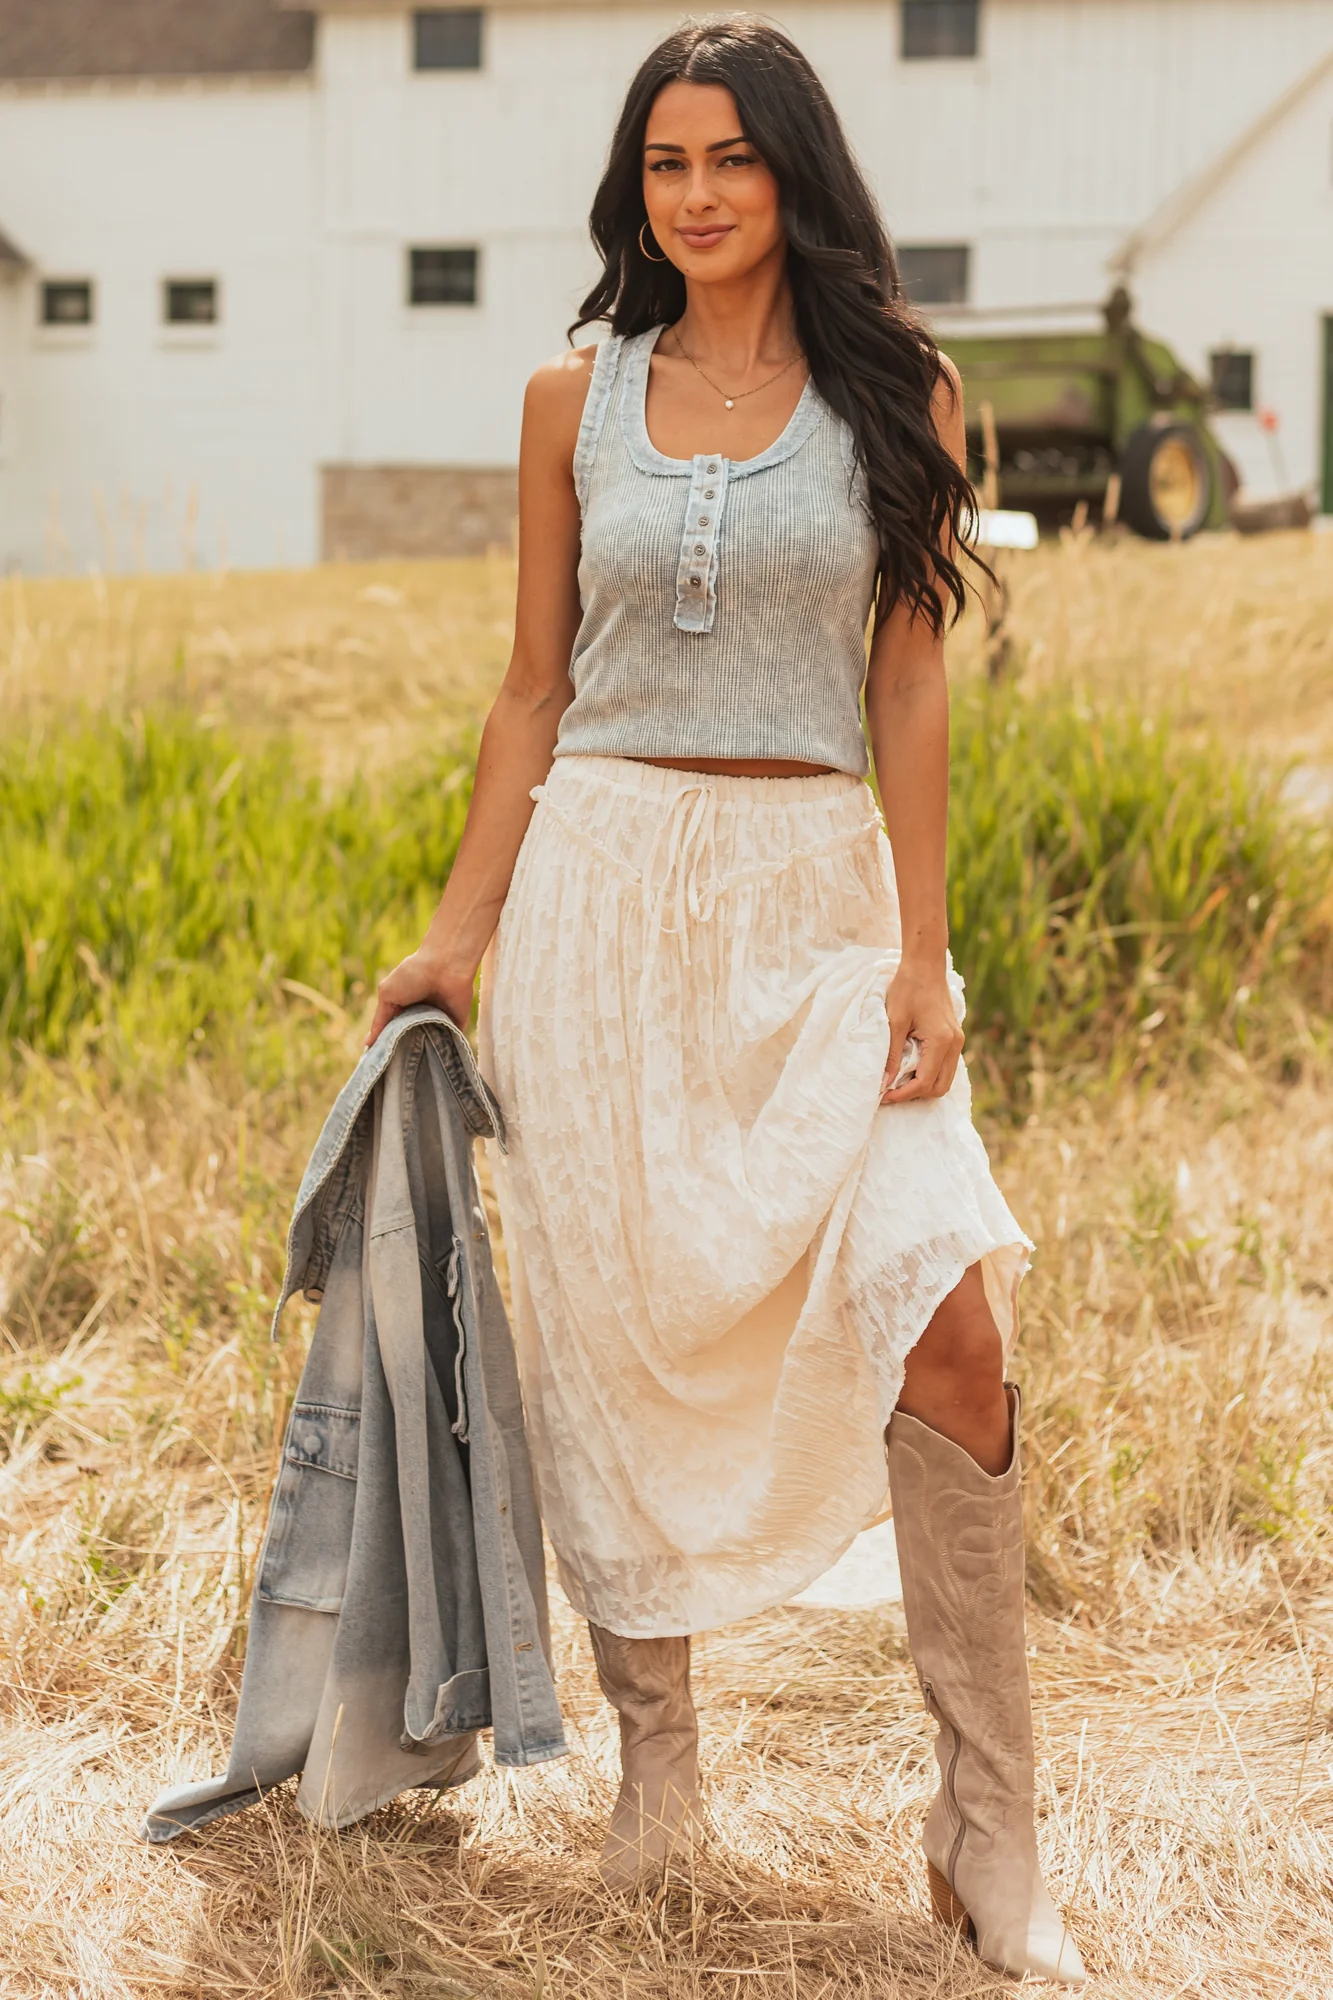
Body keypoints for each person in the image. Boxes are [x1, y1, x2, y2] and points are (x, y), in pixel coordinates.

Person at [367, 17, 1085, 1987]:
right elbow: (533, 687)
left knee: (946, 1302)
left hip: (814, 904)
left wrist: (924, 948)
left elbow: (910, 682)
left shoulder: (897, 390)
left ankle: (989, 1817)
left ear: (795, 176)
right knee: (610, 1337)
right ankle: (658, 1768)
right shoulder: (567, 396)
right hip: (604, 901)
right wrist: (460, 936)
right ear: (637, 187)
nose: (696, 195)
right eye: (665, 163)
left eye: (732, 161)